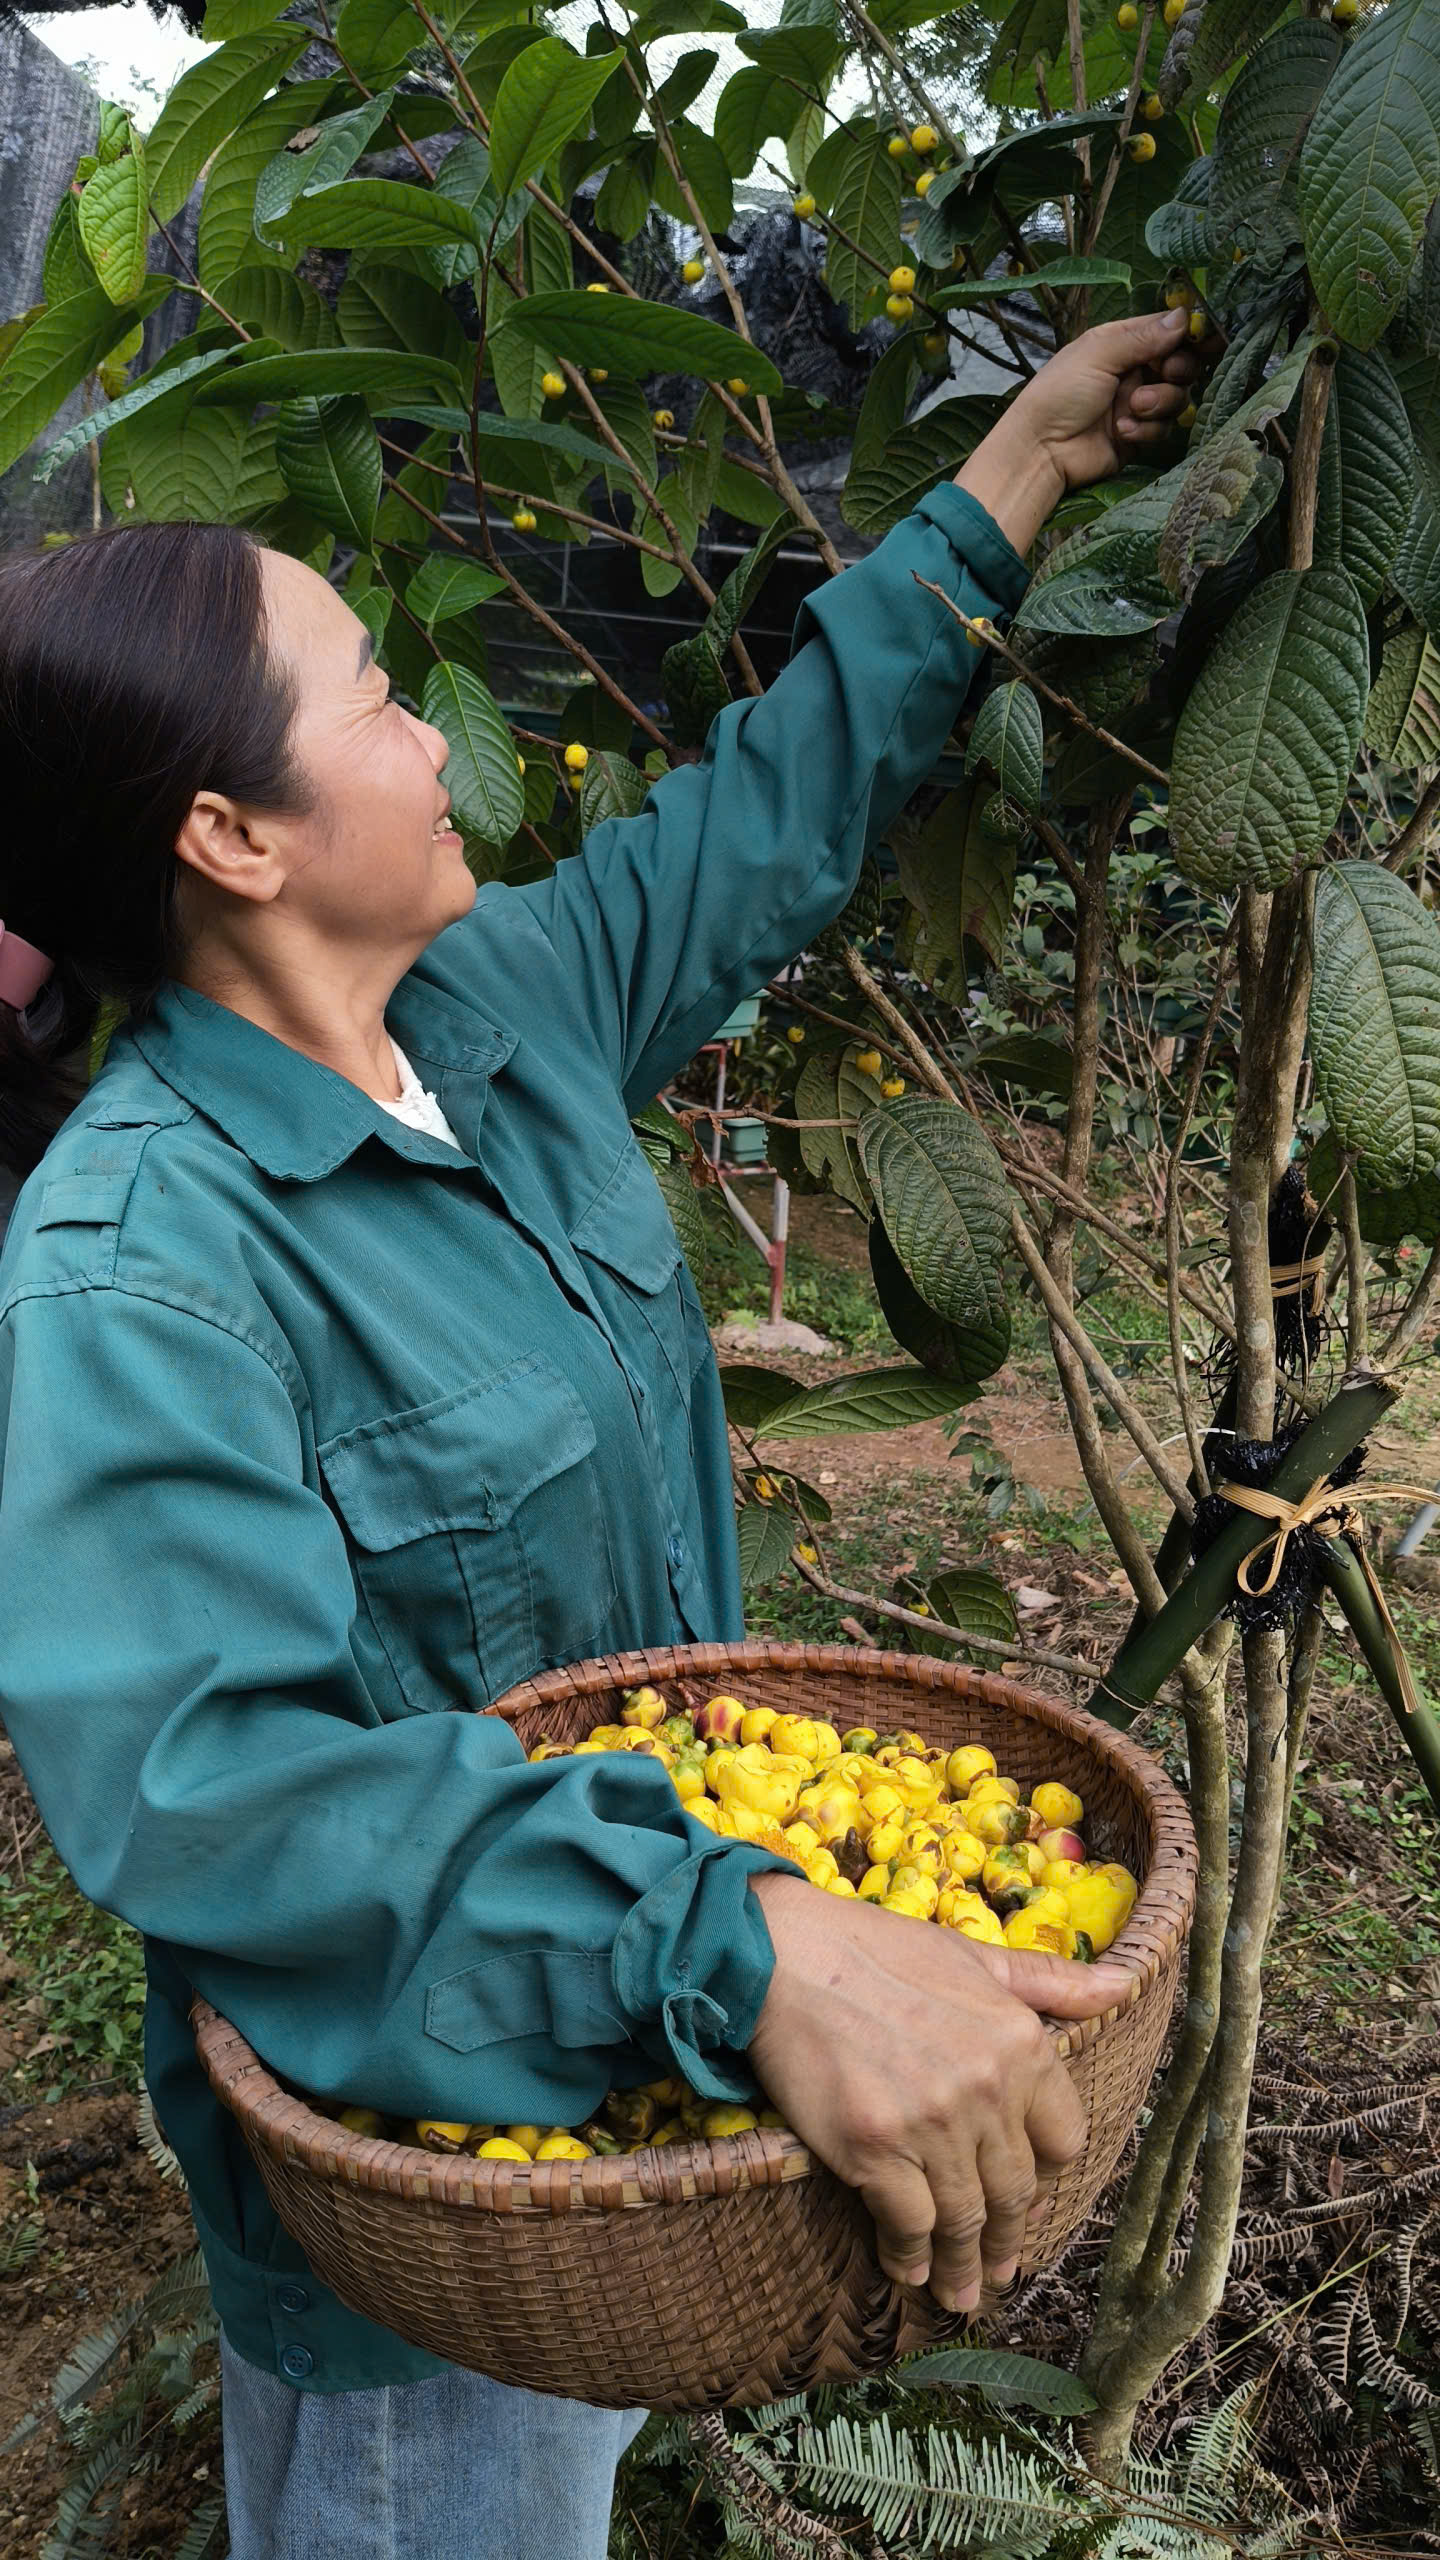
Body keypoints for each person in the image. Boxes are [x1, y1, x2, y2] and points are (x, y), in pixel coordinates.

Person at [0, 308, 1203, 2559]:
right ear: (231, 833)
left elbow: (771, 808)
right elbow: (208, 1784)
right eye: (376, 692)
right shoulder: (137, 1264)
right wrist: (741, 1940)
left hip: (656, 2100)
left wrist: (1022, 471)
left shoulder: (496, 1007)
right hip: (442, 2224)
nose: (430, 724)